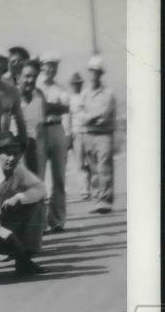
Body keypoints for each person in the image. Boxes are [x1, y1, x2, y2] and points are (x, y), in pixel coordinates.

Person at [0, 133, 48, 275]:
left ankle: (24, 261)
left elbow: (41, 189)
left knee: (38, 205)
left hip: (4, 221)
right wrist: (6, 234)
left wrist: (19, 197)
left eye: (16, 154)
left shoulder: (18, 170)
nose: (12, 158)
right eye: (7, 154)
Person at [36, 53, 71, 232]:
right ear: (41, 67)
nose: (50, 69)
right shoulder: (35, 86)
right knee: (38, 176)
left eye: (53, 66)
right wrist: (52, 107)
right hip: (39, 129)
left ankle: (57, 219)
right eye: (47, 66)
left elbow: (66, 108)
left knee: (59, 177)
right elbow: (41, 108)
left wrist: (48, 107)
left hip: (57, 128)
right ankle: (39, 222)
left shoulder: (61, 89)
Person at [78, 56, 115, 214]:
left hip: (104, 135)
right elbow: (79, 113)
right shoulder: (84, 93)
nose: (93, 74)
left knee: (104, 167)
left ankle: (105, 200)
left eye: (96, 72)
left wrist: (89, 117)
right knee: (92, 169)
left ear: (101, 74)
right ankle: (96, 199)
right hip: (88, 135)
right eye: (91, 71)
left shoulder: (108, 93)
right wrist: (90, 118)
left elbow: (105, 114)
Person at [17, 60, 47, 175]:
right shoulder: (12, 95)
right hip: (16, 147)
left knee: (35, 184)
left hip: (34, 147)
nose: (31, 80)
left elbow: (41, 125)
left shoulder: (39, 95)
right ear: (19, 76)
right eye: (27, 76)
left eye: (34, 77)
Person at [66, 71, 91, 200]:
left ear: (81, 84)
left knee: (91, 162)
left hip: (89, 133)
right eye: (74, 84)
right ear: (71, 85)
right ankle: (84, 190)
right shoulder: (70, 99)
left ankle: (94, 189)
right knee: (80, 163)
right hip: (76, 133)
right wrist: (69, 134)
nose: (76, 85)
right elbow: (68, 117)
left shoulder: (87, 96)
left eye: (78, 83)